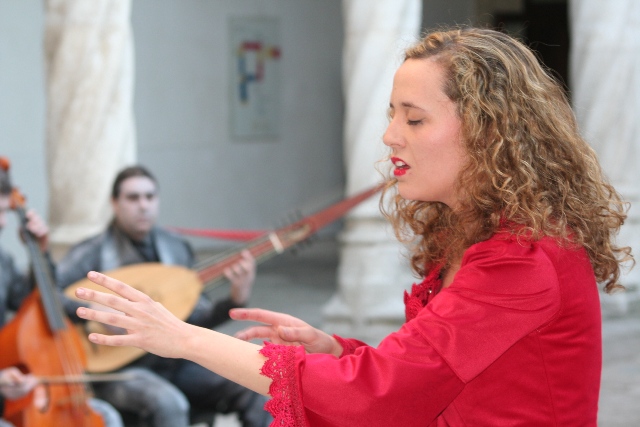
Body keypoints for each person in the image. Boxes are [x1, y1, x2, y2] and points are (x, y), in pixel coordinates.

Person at [72, 27, 632, 426]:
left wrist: (185, 338)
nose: (390, 135)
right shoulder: (475, 233)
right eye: (392, 114)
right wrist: (334, 350)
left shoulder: (522, 259)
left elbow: (381, 394)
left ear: (487, 132)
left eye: (414, 118)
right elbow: (425, 373)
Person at [56, 165, 270, 427]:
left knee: (252, 382)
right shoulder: (92, 252)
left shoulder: (175, 248)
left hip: (172, 360)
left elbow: (193, 323)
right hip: (118, 368)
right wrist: (91, 311)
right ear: (114, 203)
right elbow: (46, 294)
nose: (143, 206)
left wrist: (235, 300)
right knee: (169, 404)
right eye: (133, 198)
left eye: (150, 197)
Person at [0, 163, 123, 427]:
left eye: (4, 212)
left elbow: (34, 302)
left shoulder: (2, 261)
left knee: (108, 418)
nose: (3, 222)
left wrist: (41, 254)